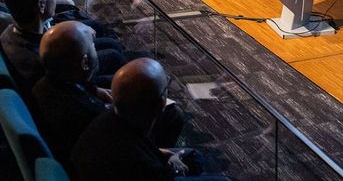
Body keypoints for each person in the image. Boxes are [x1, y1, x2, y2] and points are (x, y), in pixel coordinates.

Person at [32, 21, 184, 170]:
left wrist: (92, 90)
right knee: (175, 118)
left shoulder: (44, 86)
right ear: (84, 62)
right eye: (92, 45)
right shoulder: (87, 114)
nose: (95, 47)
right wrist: (161, 157)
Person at [71, 57, 231, 181]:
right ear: (161, 103)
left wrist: (159, 153)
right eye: (165, 88)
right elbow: (152, 170)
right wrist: (172, 168)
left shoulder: (105, 120)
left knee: (194, 156)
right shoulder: (145, 167)